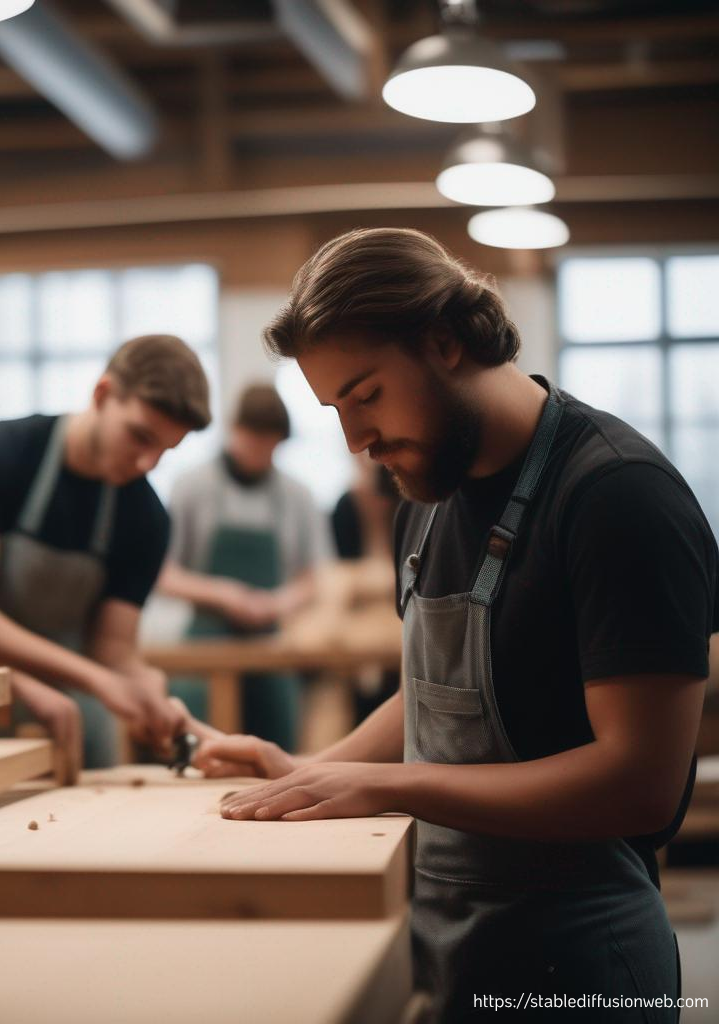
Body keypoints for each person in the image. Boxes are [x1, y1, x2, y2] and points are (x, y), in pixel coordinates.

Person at [193, 228, 717, 1021]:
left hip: (580, 959)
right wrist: (307, 771)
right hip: (445, 942)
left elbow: (639, 784)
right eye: (335, 409)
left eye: (365, 395)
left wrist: (383, 786)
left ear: (444, 341)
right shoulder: (426, 500)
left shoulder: (619, 495)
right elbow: (433, 694)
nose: (356, 441)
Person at [0, 334, 211, 781]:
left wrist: (142, 682)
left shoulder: (146, 518)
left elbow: (112, 648)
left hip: (78, 711)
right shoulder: (0, 454)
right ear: (101, 395)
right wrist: (97, 679)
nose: (147, 463)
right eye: (140, 436)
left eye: (165, 450)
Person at [156, 383, 330, 751]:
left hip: (270, 647)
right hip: (203, 648)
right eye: (254, 441)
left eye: (271, 445)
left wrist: (277, 603)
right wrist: (224, 594)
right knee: (199, 746)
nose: (260, 453)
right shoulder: (192, 486)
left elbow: (314, 578)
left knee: (278, 750)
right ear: (235, 430)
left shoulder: (297, 496)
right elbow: (164, 574)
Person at [331, 456, 402, 724]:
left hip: (395, 619)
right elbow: (339, 573)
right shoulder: (347, 505)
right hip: (356, 624)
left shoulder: (405, 501)